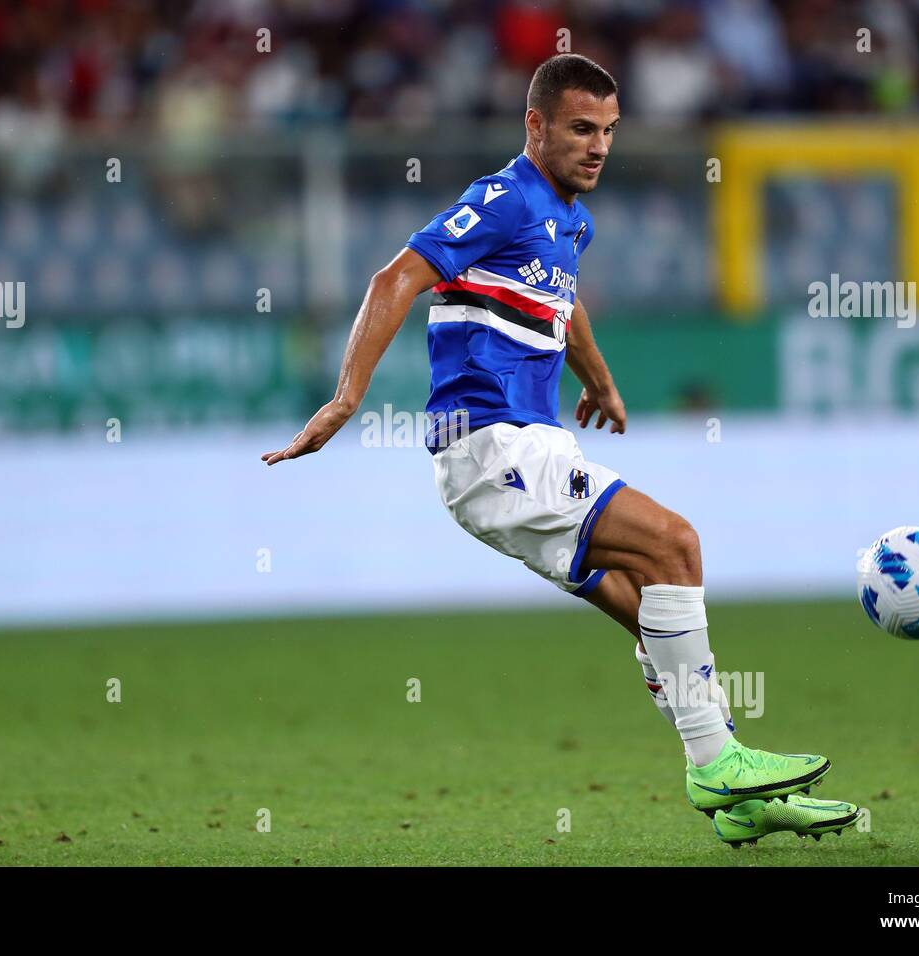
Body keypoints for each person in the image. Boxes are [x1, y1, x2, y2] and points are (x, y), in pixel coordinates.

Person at [263, 53, 862, 846]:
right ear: (536, 126)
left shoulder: (568, 218)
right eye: (582, 128)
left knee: (650, 609)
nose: (599, 146)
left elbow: (564, 301)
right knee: (676, 544)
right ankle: (719, 765)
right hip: (492, 445)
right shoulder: (504, 199)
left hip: (519, 451)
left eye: (610, 131)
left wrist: (601, 382)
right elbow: (392, 279)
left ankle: (735, 793)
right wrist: (346, 400)